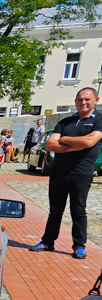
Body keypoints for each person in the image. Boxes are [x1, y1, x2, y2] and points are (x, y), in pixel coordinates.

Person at [30, 87, 102, 259]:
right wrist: (76, 145)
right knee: (55, 210)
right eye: (79, 100)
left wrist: (63, 140)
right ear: (75, 102)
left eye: (87, 99)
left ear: (95, 100)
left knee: (78, 210)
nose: (83, 103)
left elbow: (89, 141)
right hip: (59, 172)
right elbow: (49, 145)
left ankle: (79, 246)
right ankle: (47, 242)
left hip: (81, 173)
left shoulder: (99, 120)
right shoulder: (65, 122)